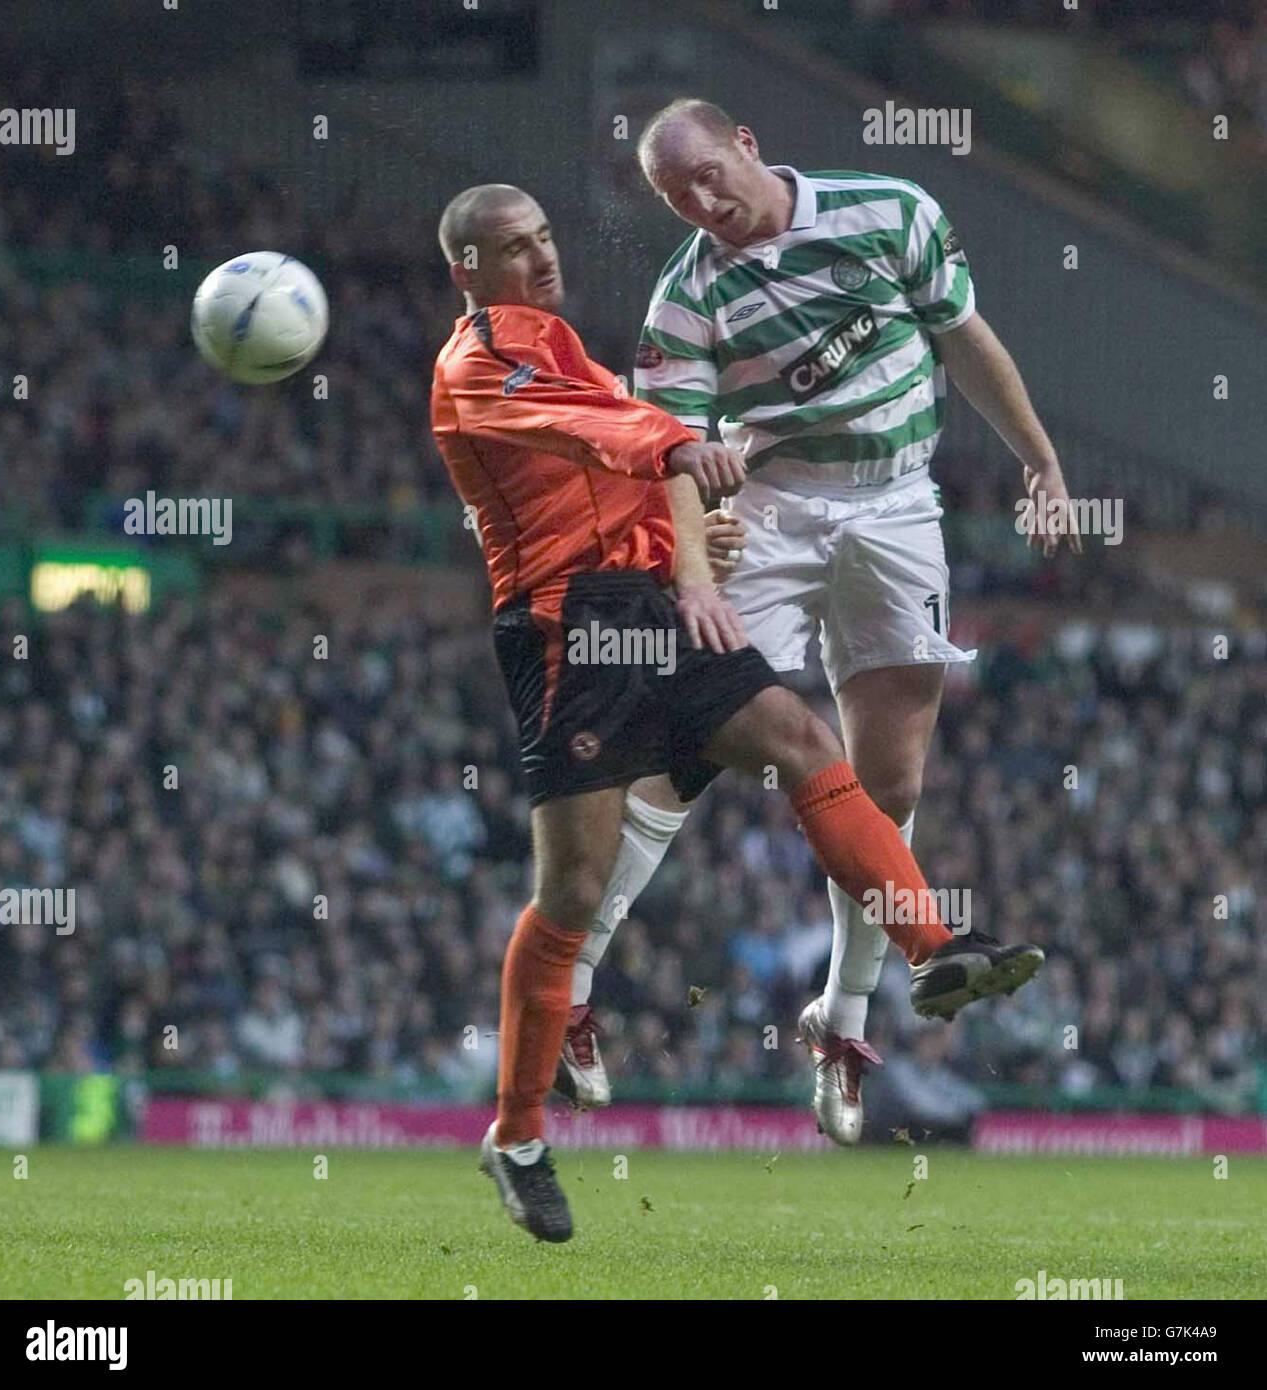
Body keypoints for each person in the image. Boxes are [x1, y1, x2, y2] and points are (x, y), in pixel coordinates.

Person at [430, 181, 1045, 1242]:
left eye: (543, 238)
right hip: (564, 630)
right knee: (571, 885)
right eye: (512, 249)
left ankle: (933, 945)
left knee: (802, 740)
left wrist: (687, 549)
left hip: (653, 611)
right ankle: (517, 1133)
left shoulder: (562, 341)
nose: (540, 259)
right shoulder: (476, 362)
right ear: (467, 270)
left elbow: (629, 466)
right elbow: (607, 439)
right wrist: (680, 445)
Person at [558, 99, 1077, 1145]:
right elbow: (671, 458)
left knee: (888, 787)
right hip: (772, 512)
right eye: (677, 197)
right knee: (682, 744)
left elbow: (961, 338)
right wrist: (700, 553)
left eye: (710, 174)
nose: (704, 204)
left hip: (895, 506)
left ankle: (839, 1023)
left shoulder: (891, 210)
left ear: (749, 141)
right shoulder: (687, 297)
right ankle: (566, 981)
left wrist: (1040, 458)